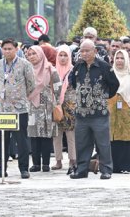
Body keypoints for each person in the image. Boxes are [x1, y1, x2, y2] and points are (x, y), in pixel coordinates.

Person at [69, 40, 120, 179]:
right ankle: (82, 170)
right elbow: (73, 82)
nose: (84, 54)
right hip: (81, 114)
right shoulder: (78, 66)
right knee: (82, 143)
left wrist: (103, 97)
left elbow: (114, 84)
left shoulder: (104, 66)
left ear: (95, 51)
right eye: (82, 51)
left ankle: (106, 170)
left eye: (87, 51)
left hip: (99, 113)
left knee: (103, 143)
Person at [0, 38, 35, 179]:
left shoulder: (25, 64)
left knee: (21, 139)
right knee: (2, 139)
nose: (7, 51)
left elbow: (31, 84)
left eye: (10, 49)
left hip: (19, 108)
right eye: (5, 49)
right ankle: (1, 169)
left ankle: (23, 169)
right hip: (2, 108)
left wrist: (19, 96)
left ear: (16, 49)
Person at [25, 45, 59, 173]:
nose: (32, 56)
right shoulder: (27, 69)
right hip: (31, 107)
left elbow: (57, 87)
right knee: (33, 136)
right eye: (30, 54)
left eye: (34, 53)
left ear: (40, 54)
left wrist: (58, 104)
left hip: (47, 106)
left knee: (46, 136)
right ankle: (35, 164)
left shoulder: (50, 69)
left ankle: (45, 164)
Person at [109, 49, 130, 173]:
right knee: (114, 138)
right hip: (111, 112)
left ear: (127, 60)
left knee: (129, 137)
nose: (119, 61)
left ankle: (129, 165)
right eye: (117, 58)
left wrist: (126, 103)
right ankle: (114, 166)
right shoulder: (110, 74)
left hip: (128, 111)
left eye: (122, 58)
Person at [52, 44, 77, 174]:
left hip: (69, 106)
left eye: (65, 55)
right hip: (56, 105)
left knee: (70, 134)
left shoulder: (74, 70)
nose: (62, 58)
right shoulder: (53, 70)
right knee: (56, 134)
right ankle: (58, 160)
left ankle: (73, 159)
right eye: (60, 55)